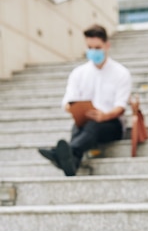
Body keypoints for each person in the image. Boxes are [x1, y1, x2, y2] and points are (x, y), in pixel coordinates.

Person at [38, 24, 132, 176]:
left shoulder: (121, 73)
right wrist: (75, 110)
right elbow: (68, 102)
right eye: (90, 47)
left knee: (92, 126)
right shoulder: (78, 73)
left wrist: (105, 115)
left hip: (111, 124)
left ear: (107, 45)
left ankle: (61, 154)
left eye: (97, 47)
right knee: (78, 126)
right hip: (85, 123)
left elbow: (121, 106)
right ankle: (72, 162)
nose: (93, 51)